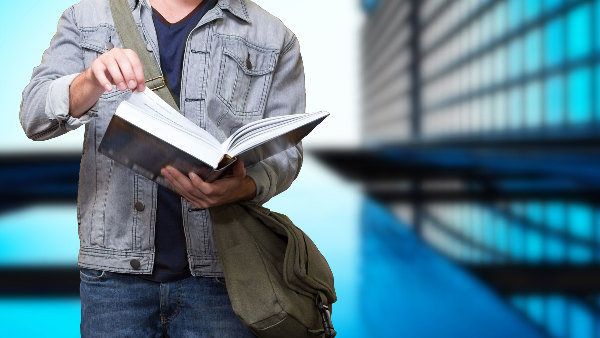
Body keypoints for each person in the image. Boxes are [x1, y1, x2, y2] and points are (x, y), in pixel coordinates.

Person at [20, 0, 305, 336]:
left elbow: (286, 153)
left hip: (221, 276)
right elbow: (34, 117)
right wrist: (91, 80)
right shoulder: (86, 18)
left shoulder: (273, 35)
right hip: (113, 280)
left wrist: (243, 187)